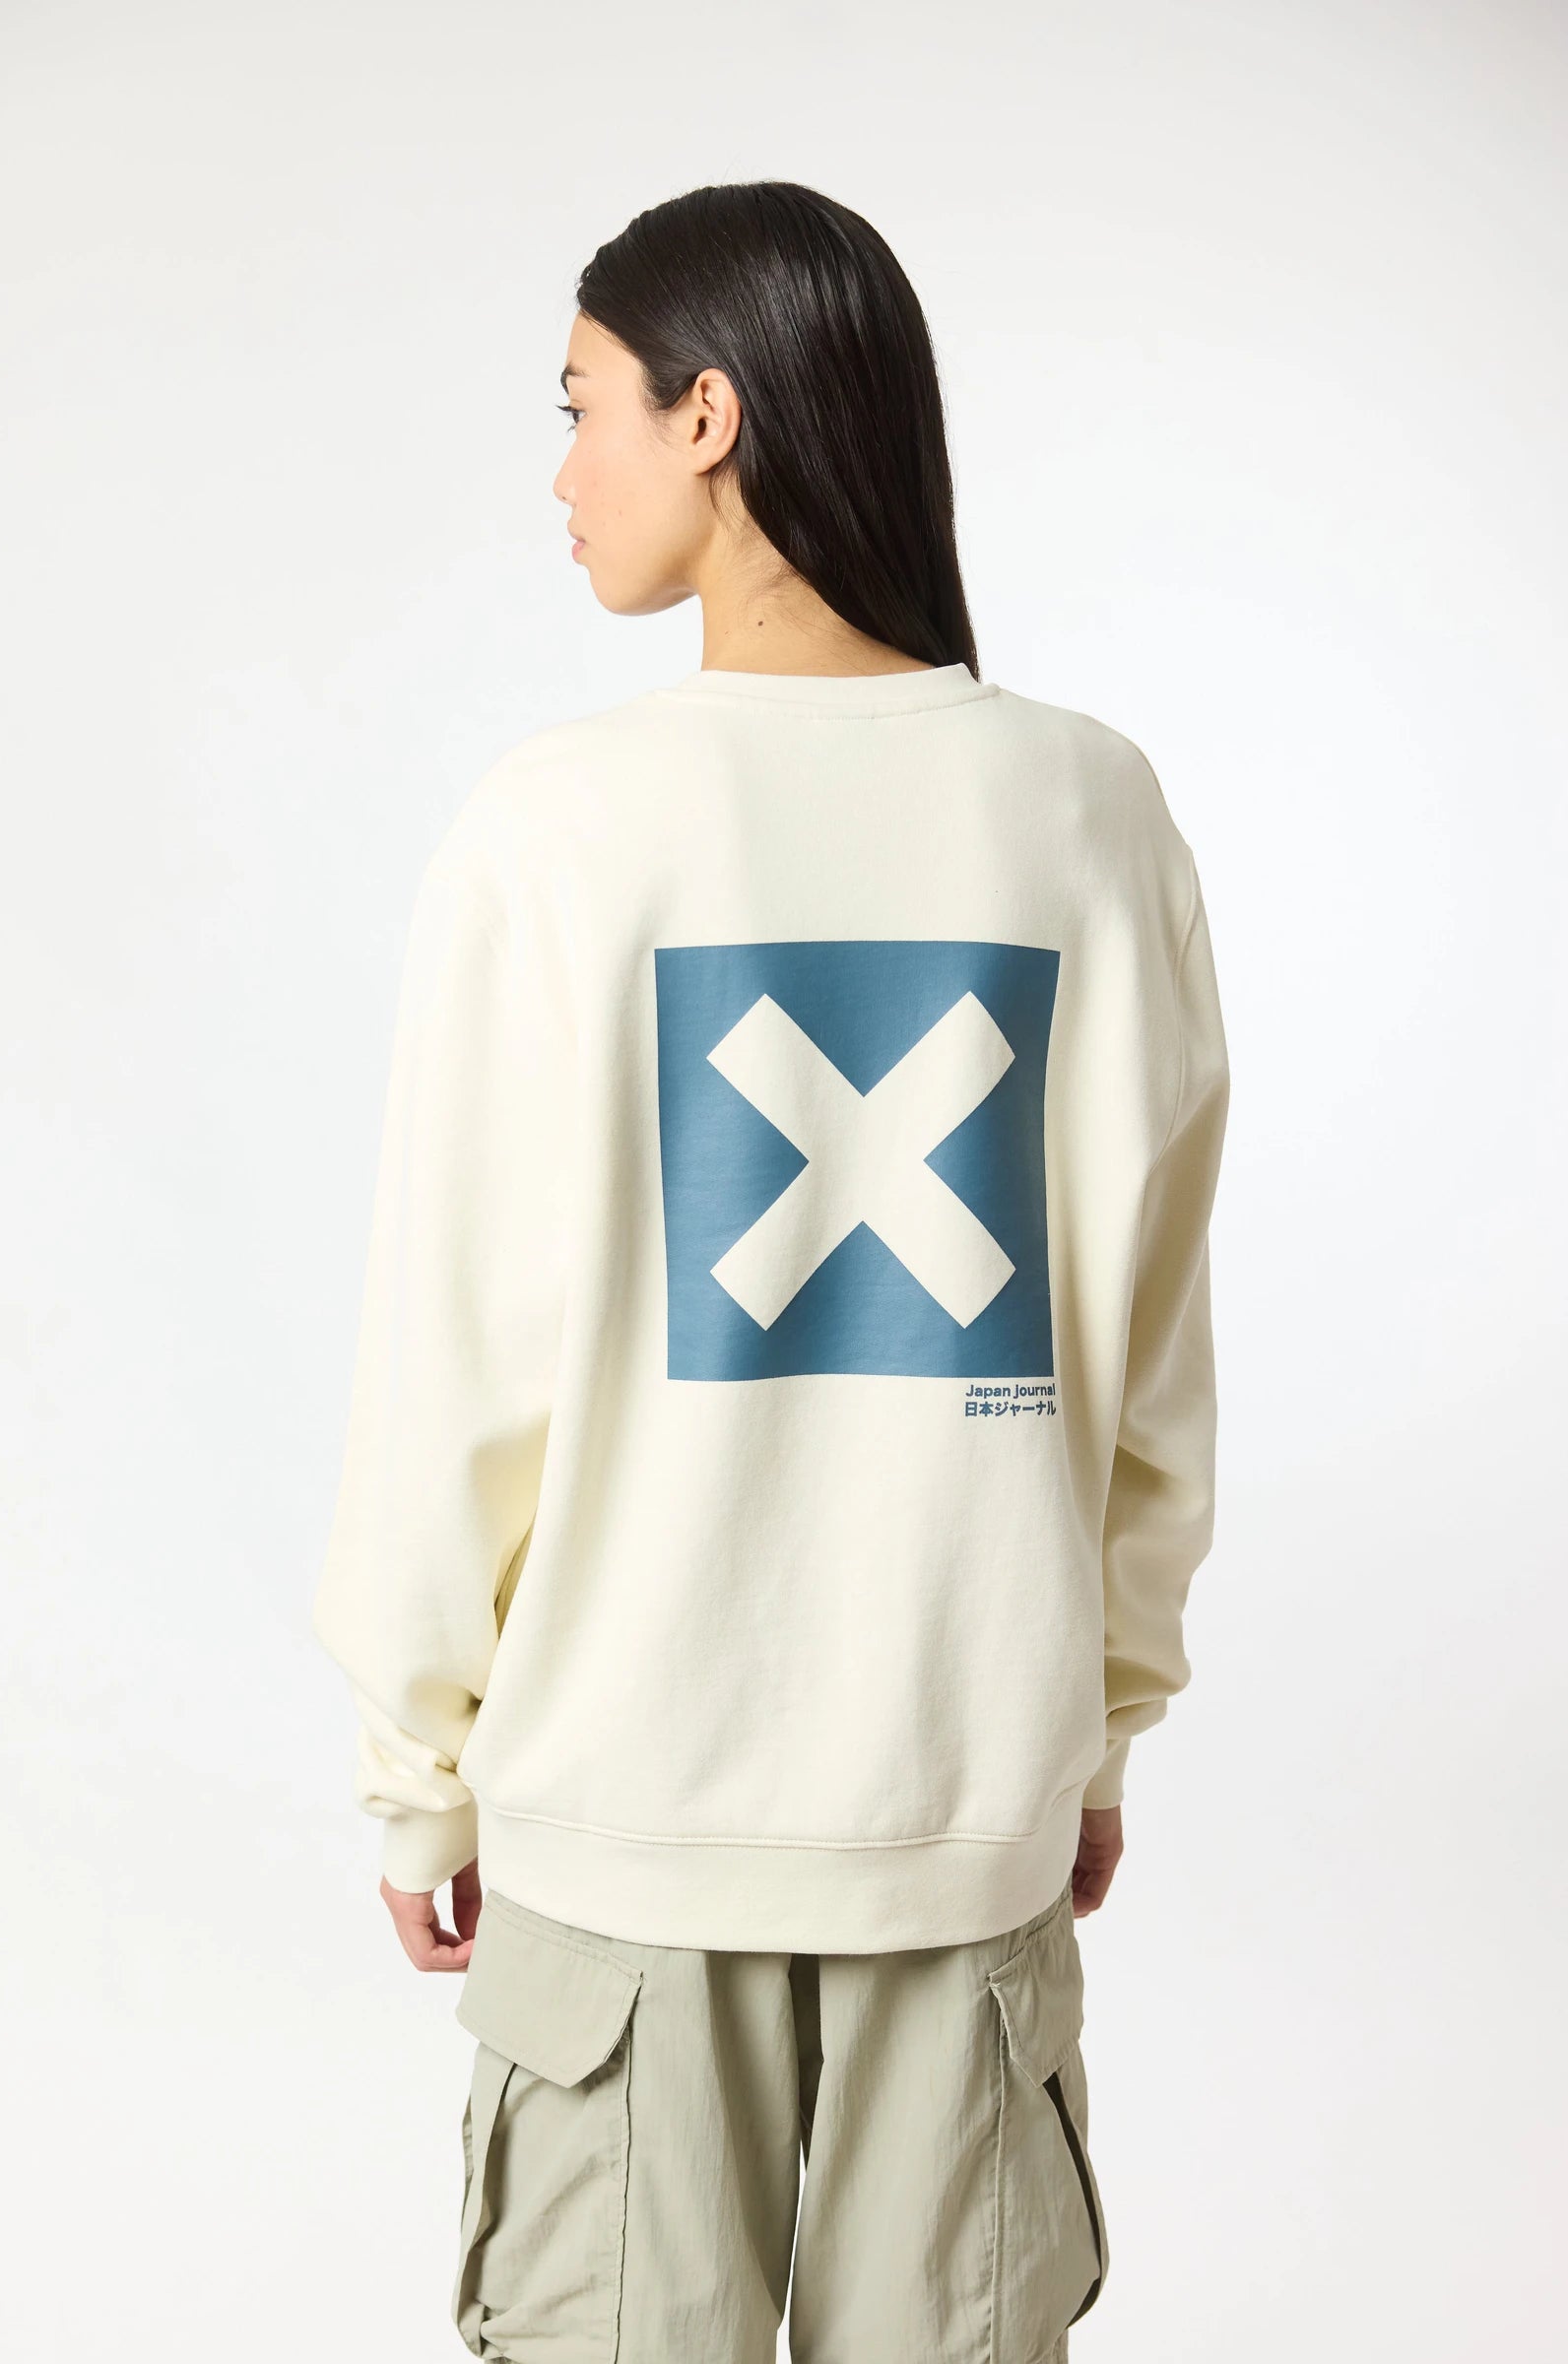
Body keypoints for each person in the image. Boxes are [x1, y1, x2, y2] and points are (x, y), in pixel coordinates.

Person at [311, 179, 1229, 2364]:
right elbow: (1147, 1350)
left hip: (621, 1842)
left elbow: (455, 1355)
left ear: (707, 414)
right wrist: (1093, 1731)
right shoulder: (1088, 810)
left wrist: (421, 1768)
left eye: (582, 408)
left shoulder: (556, 823)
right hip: (965, 1813)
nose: (562, 474)